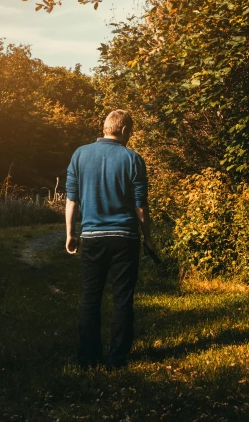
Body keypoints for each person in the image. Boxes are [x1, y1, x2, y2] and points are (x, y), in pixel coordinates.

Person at [65, 109, 154, 369]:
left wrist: (71, 234)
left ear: (105, 128)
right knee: (122, 299)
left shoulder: (79, 154)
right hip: (125, 238)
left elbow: (72, 199)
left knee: (90, 297)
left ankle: (88, 357)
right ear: (124, 130)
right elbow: (141, 206)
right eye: (131, 133)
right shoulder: (133, 158)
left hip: (92, 237)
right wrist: (147, 237)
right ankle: (117, 360)